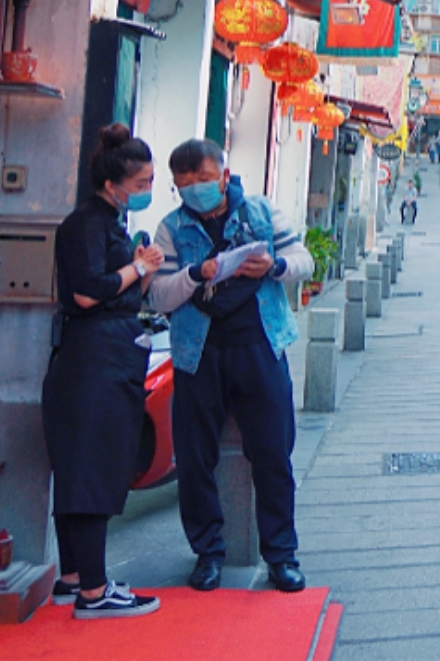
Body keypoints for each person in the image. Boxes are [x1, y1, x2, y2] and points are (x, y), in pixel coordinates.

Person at [147, 139, 314, 594]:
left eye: (203, 179)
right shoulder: (172, 226)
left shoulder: (260, 213)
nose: (195, 190)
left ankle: (281, 555)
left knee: (273, 454)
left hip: (260, 345)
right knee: (196, 457)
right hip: (197, 352)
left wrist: (274, 265)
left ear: (223, 175)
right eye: (184, 185)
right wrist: (194, 274)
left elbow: (304, 260)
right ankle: (207, 554)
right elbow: (157, 295)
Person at [43, 124, 164, 618]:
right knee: (92, 468)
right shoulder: (87, 223)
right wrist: (137, 269)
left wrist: (137, 269)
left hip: (99, 354)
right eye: (141, 184)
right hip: (94, 358)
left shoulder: (106, 222)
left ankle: (73, 577)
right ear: (114, 183)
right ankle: (94, 589)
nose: (147, 191)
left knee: (79, 466)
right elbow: (89, 291)